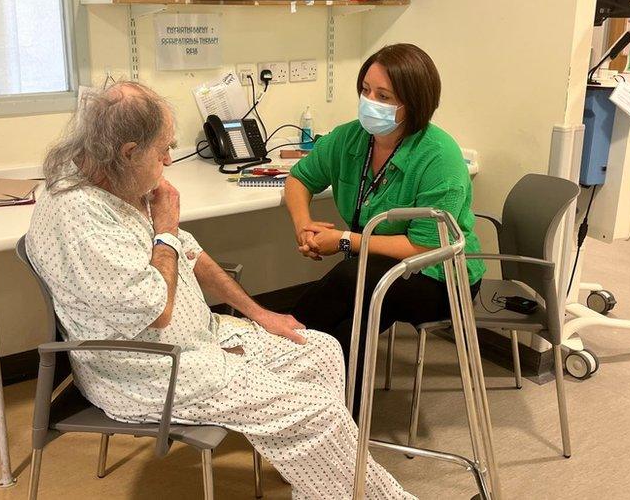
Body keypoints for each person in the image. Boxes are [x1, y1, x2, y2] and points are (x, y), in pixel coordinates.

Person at [27, 81, 415, 499]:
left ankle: (317, 481)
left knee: (318, 349)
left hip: (201, 337)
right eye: (162, 151)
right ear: (127, 151)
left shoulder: (117, 180)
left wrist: (260, 314)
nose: (169, 160)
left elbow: (189, 254)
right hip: (151, 368)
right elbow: (156, 308)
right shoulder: (81, 217)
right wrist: (167, 230)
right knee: (316, 412)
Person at [284, 43, 485, 412]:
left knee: (352, 280)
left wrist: (345, 241)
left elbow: (424, 249)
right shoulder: (351, 138)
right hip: (374, 268)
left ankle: (283, 353)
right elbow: (299, 179)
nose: (369, 101)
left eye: (383, 95)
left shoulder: (440, 158)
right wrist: (304, 225)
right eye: (365, 90)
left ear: (413, 103)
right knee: (349, 325)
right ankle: (318, 411)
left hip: (443, 277)